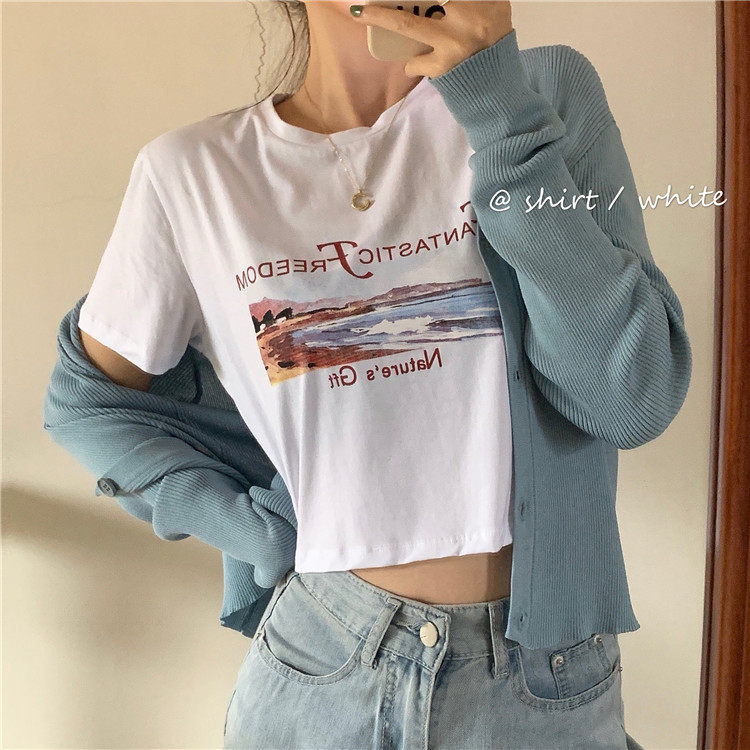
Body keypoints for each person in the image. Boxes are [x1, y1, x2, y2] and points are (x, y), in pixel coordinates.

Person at [49, 1, 691, 747]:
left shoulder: (541, 95)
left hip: (543, 684)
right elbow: (86, 403)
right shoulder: (194, 174)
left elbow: (631, 396)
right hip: (323, 669)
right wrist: (252, 528)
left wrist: (499, 112)